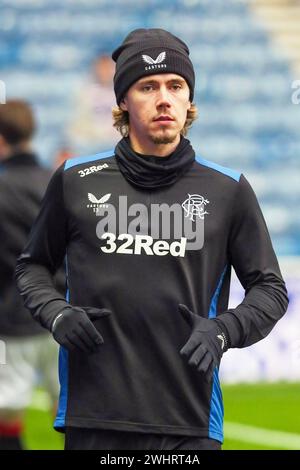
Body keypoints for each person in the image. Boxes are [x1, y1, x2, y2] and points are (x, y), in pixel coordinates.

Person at [15, 29, 289, 451]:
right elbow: (32, 265)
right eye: (148, 86)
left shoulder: (228, 189)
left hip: (190, 422)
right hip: (94, 418)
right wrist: (56, 313)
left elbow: (270, 289)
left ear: (188, 99)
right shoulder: (74, 180)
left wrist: (224, 330)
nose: (164, 98)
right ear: (123, 100)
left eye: (175, 86)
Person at [0, 100, 61, 449]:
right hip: (61, 316)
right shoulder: (58, 181)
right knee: (70, 410)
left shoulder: (3, 189)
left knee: (7, 413)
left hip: (12, 318)